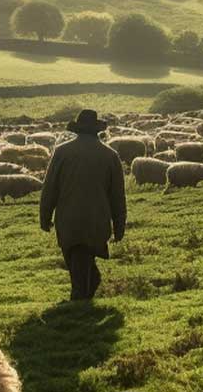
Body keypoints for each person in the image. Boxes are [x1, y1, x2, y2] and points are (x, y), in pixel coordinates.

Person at [40, 110, 127, 301]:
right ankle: (81, 303)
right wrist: (120, 224)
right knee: (86, 259)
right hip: (96, 220)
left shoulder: (62, 152)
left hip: (68, 219)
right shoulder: (110, 155)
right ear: (97, 130)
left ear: (77, 130)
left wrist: (45, 216)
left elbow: (50, 187)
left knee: (76, 259)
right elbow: (117, 195)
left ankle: (79, 303)